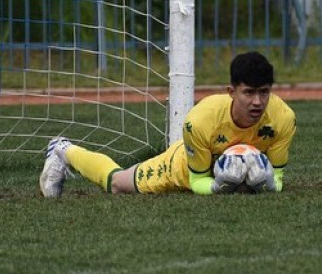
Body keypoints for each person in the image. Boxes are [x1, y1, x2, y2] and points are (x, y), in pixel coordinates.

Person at [39, 51, 296, 197]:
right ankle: (63, 150)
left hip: (225, 175)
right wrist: (219, 187)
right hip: (181, 168)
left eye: (264, 92)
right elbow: (197, 183)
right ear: (231, 91)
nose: (257, 102)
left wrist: (269, 183)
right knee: (117, 184)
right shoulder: (199, 122)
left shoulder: (283, 119)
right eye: (249, 93)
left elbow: (279, 178)